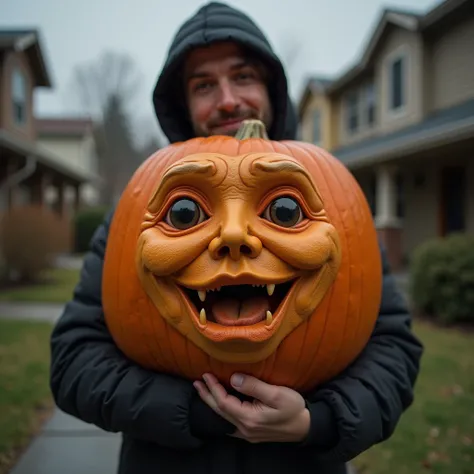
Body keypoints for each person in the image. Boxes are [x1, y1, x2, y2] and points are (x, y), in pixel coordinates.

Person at [49, 2, 424, 474]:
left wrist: (320, 421)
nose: (227, 99)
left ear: (270, 89)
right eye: (204, 85)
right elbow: (74, 361)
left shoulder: (337, 201)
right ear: (183, 104)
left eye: (243, 76)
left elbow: (393, 348)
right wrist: (198, 412)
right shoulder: (138, 207)